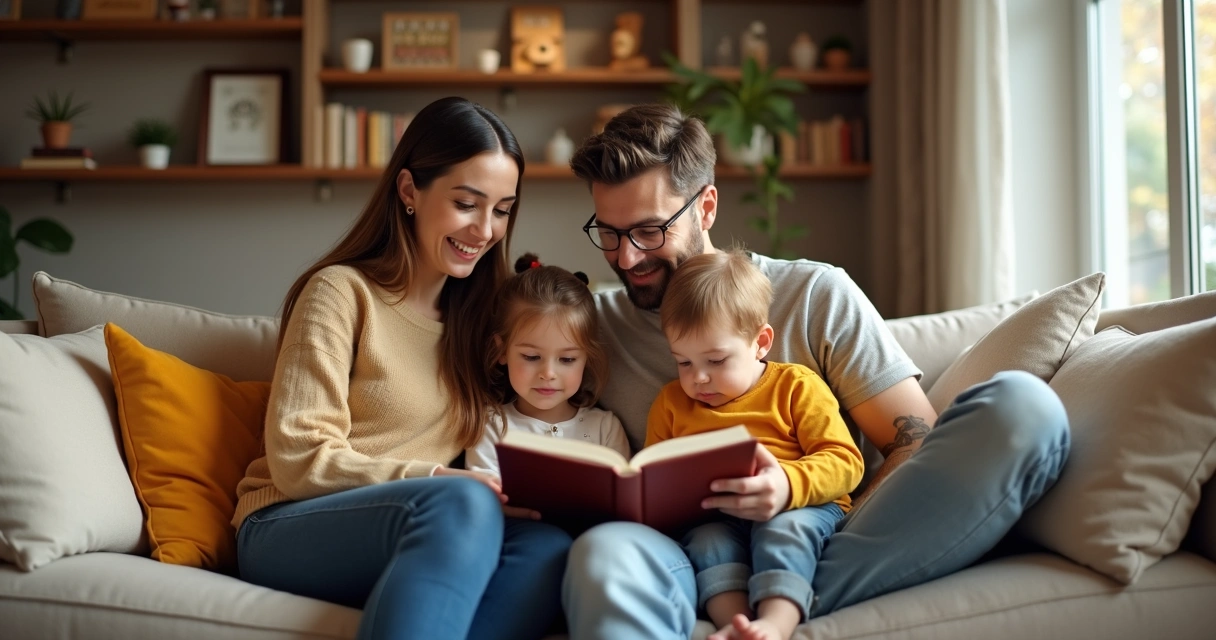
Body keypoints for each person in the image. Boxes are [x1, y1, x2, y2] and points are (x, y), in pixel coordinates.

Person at [561, 103, 1071, 639]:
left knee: (1022, 410)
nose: (626, 258)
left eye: (648, 230)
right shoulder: (593, 327)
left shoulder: (813, 295)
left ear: (706, 207)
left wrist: (797, 505)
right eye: (610, 233)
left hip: (819, 530)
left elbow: (914, 441)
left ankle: (773, 608)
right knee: (602, 553)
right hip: (696, 553)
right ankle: (768, 612)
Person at [231, 97, 572, 640]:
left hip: (432, 523)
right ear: (410, 191)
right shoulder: (341, 293)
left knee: (549, 546)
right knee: (461, 502)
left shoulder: (481, 322)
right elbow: (297, 458)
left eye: (503, 210)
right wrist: (436, 478)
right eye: (467, 203)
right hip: (289, 522)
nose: (485, 230)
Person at [649, 251, 864, 640]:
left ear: (761, 342)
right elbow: (653, 476)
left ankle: (775, 624)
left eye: (716, 360)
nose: (698, 378)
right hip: (716, 517)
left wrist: (786, 484)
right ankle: (737, 626)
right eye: (683, 362)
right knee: (706, 541)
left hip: (797, 506)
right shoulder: (670, 404)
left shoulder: (796, 386)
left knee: (783, 528)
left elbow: (846, 461)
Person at [465, 252, 630, 484]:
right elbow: (483, 495)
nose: (548, 374)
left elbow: (622, 492)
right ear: (502, 351)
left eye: (567, 360)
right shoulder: (492, 424)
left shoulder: (605, 428)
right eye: (532, 357)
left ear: (587, 358)